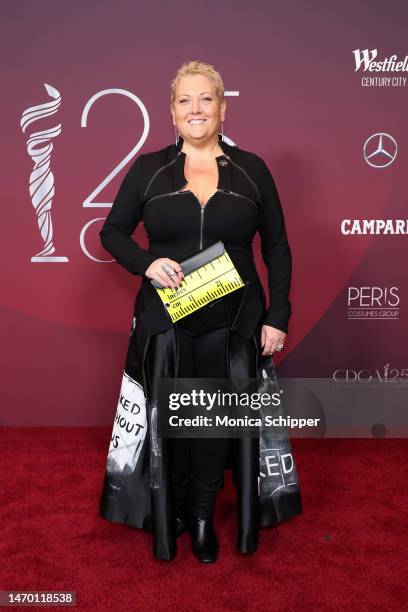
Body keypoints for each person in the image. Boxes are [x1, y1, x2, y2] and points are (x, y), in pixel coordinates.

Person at [98, 60, 302, 563]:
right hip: (166, 318)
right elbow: (112, 233)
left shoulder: (253, 169)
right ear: (171, 111)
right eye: (185, 100)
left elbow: (276, 245)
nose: (196, 109)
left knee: (211, 420)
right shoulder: (148, 169)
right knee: (171, 420)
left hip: (234, 322)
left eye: (205, 99)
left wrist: (278, 315)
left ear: (222, 108)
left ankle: (206, 516)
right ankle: (175, 511)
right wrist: (147, 264)